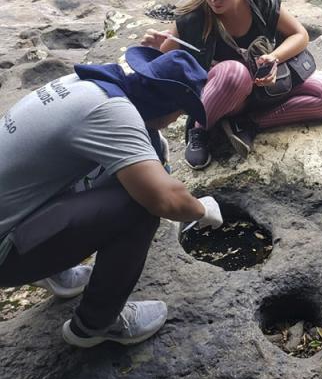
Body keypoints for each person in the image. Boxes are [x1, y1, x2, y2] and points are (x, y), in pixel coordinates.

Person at [0, 47, 224, 347]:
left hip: (14, 214)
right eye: (181, 112)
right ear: (171, 106)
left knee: (123, 170)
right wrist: (200, 209)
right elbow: (164, 199)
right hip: (5, 251)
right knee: (139, 207)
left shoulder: (88, 84)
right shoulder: (112, 114)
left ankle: (54, 270)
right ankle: (95, 325)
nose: (175, 121)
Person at [140, 0, 322, 170]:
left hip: (266, 92)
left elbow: (300, 35)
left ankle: (248, 124)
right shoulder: (192, 18)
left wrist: (274, 58)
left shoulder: (261, 0)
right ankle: (200, 128)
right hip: (225, 97)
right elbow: (154, 70)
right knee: (234, 72)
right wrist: (155, 49)